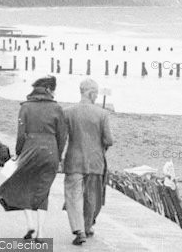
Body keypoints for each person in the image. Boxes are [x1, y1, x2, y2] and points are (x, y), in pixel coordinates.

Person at [0, 76, 66, 241]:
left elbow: (21, 135)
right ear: (49, 89)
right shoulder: (57, 109)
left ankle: (31, 226)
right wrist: (59, 156)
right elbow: (62, 136)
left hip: (30, 149)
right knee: (43, 191)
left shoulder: (26, 107)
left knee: (25, 186)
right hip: (50, 152)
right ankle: (41, 232)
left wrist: (19, 153)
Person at [63, 79, 114, 245]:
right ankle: (87, 226)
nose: (97, 96)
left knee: (73, 196)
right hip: (95, 161)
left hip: (74, 159)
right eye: (96, 93)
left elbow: (62, 138)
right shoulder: (102, 114)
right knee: (92, 197)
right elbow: (109, 139)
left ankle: (78, 229)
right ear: (91, 93)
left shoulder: (68, 112)